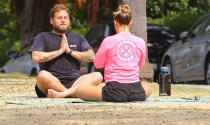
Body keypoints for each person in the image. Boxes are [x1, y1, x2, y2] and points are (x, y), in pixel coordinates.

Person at [47, 3, 152, 102]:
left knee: (80, 91)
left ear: (115, 22)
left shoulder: (108, 41)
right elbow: (140, 64)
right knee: (148, 89)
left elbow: (97, 64)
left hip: (114, 91)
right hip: (136, 91)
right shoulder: (140, 42)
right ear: (130, 22)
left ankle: (64, 93)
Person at [29, 4, 103, 98]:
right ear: (52, 20)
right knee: (42, 75)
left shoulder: (78, 37)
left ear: (69, 20)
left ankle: (63, 94)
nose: (63, 20)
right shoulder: (43, 37)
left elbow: (92, 57)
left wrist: (70, 51)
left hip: (75, 82)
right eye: (59, 18)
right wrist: (60, 51)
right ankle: (70, 93)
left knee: (98, 75)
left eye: (65, 18)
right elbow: (36, 57)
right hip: (51, 82)